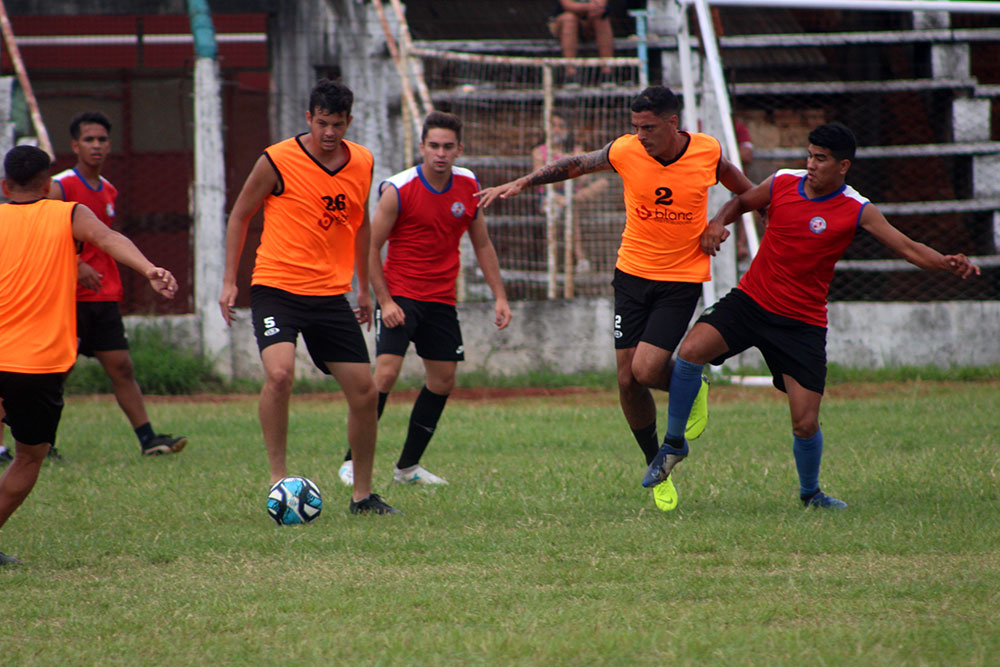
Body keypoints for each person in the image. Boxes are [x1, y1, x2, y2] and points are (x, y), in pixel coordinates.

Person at [641, 122, 980, 509]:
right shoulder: (784, 181)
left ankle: (811, 494)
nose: (811, 165)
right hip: (751, 301)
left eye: (821, 159)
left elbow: (907, 247)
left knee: (805, 422)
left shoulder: (857, 209)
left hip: (801, 322)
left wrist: (945, 263)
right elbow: (742, 201)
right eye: (809, 155)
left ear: (843, 166)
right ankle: (673, 445)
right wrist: (718, 222)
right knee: (690, 352)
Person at [477, 86, 755, 511]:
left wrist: (718, 221)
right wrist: (524, 180)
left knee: (645, 370)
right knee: (625, 380)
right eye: (634, 127)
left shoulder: (706, 152)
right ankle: (656, 463)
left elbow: (748, 192)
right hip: (630, 277)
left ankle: (689, 383)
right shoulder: (626, 150)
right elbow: (576, 164)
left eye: (647, 127)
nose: (639, 135)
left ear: (672, 124)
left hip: (679, 280)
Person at [219, 78, 399, 515]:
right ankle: (279, 480)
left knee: (365, 391)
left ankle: (362, 496)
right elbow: (240, 214)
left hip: (330, 294)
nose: (330, 133)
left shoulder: (362, 161)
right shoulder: (276, 160)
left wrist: (363, 287)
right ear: (308, 118)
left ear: (349, 121)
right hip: (276, 286)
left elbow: (360, 226)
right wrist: (229, 281)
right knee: (279, 376)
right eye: (322, 123)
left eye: (338, 124)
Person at [1, 145, 178, 566]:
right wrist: (149, 269)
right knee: (28, 457)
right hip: (37, 365)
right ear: (49, 185)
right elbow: (110, 238)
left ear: (4, 185)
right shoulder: (69, 214)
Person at [337, 111, 512, 487]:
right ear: (421, 148)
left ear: (459, 149)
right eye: (433, 146)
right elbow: (369, 246)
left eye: (448, 147)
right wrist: (384, 301)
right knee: (384, 374)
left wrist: (500, 296)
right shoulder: (397, 190)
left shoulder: (468, 185)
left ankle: (407, 468)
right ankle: (352, 462)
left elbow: (481, 243)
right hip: (400, 294)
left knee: (443, 379)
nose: (440, 153)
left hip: (441, 299)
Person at [46, 111, 187, 458]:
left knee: (122, 367)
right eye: (89, 140)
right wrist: (76, 264)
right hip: (68, 297)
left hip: (103, 297)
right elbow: (45, 234)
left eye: (102, 140)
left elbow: (106, 240)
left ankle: (148, 440)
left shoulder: (108, 189)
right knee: (53, 375)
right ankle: (38, 444)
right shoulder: (60, 185)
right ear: (75, 145)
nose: (96, 146)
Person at [530, 112, 608, 273]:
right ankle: (580, 257)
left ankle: (569, 201)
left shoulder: (576, 149)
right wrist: (569, 171)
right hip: (550, 195)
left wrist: (560, 170)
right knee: (570, 209)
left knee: (603, 183)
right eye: (554, 126)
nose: (557, 130)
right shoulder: (539, 152)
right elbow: (540, 178)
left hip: (572, 193)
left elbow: (585, 177)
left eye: (561, 126)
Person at [548, 0, 615, 88]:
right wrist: (589, 7)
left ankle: (607, 72)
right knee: (570, 18)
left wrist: (595, 8)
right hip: (563, 21)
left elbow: (601, 4)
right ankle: (570, 73)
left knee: (602, 18)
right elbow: (568, 5)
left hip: (588, 21)